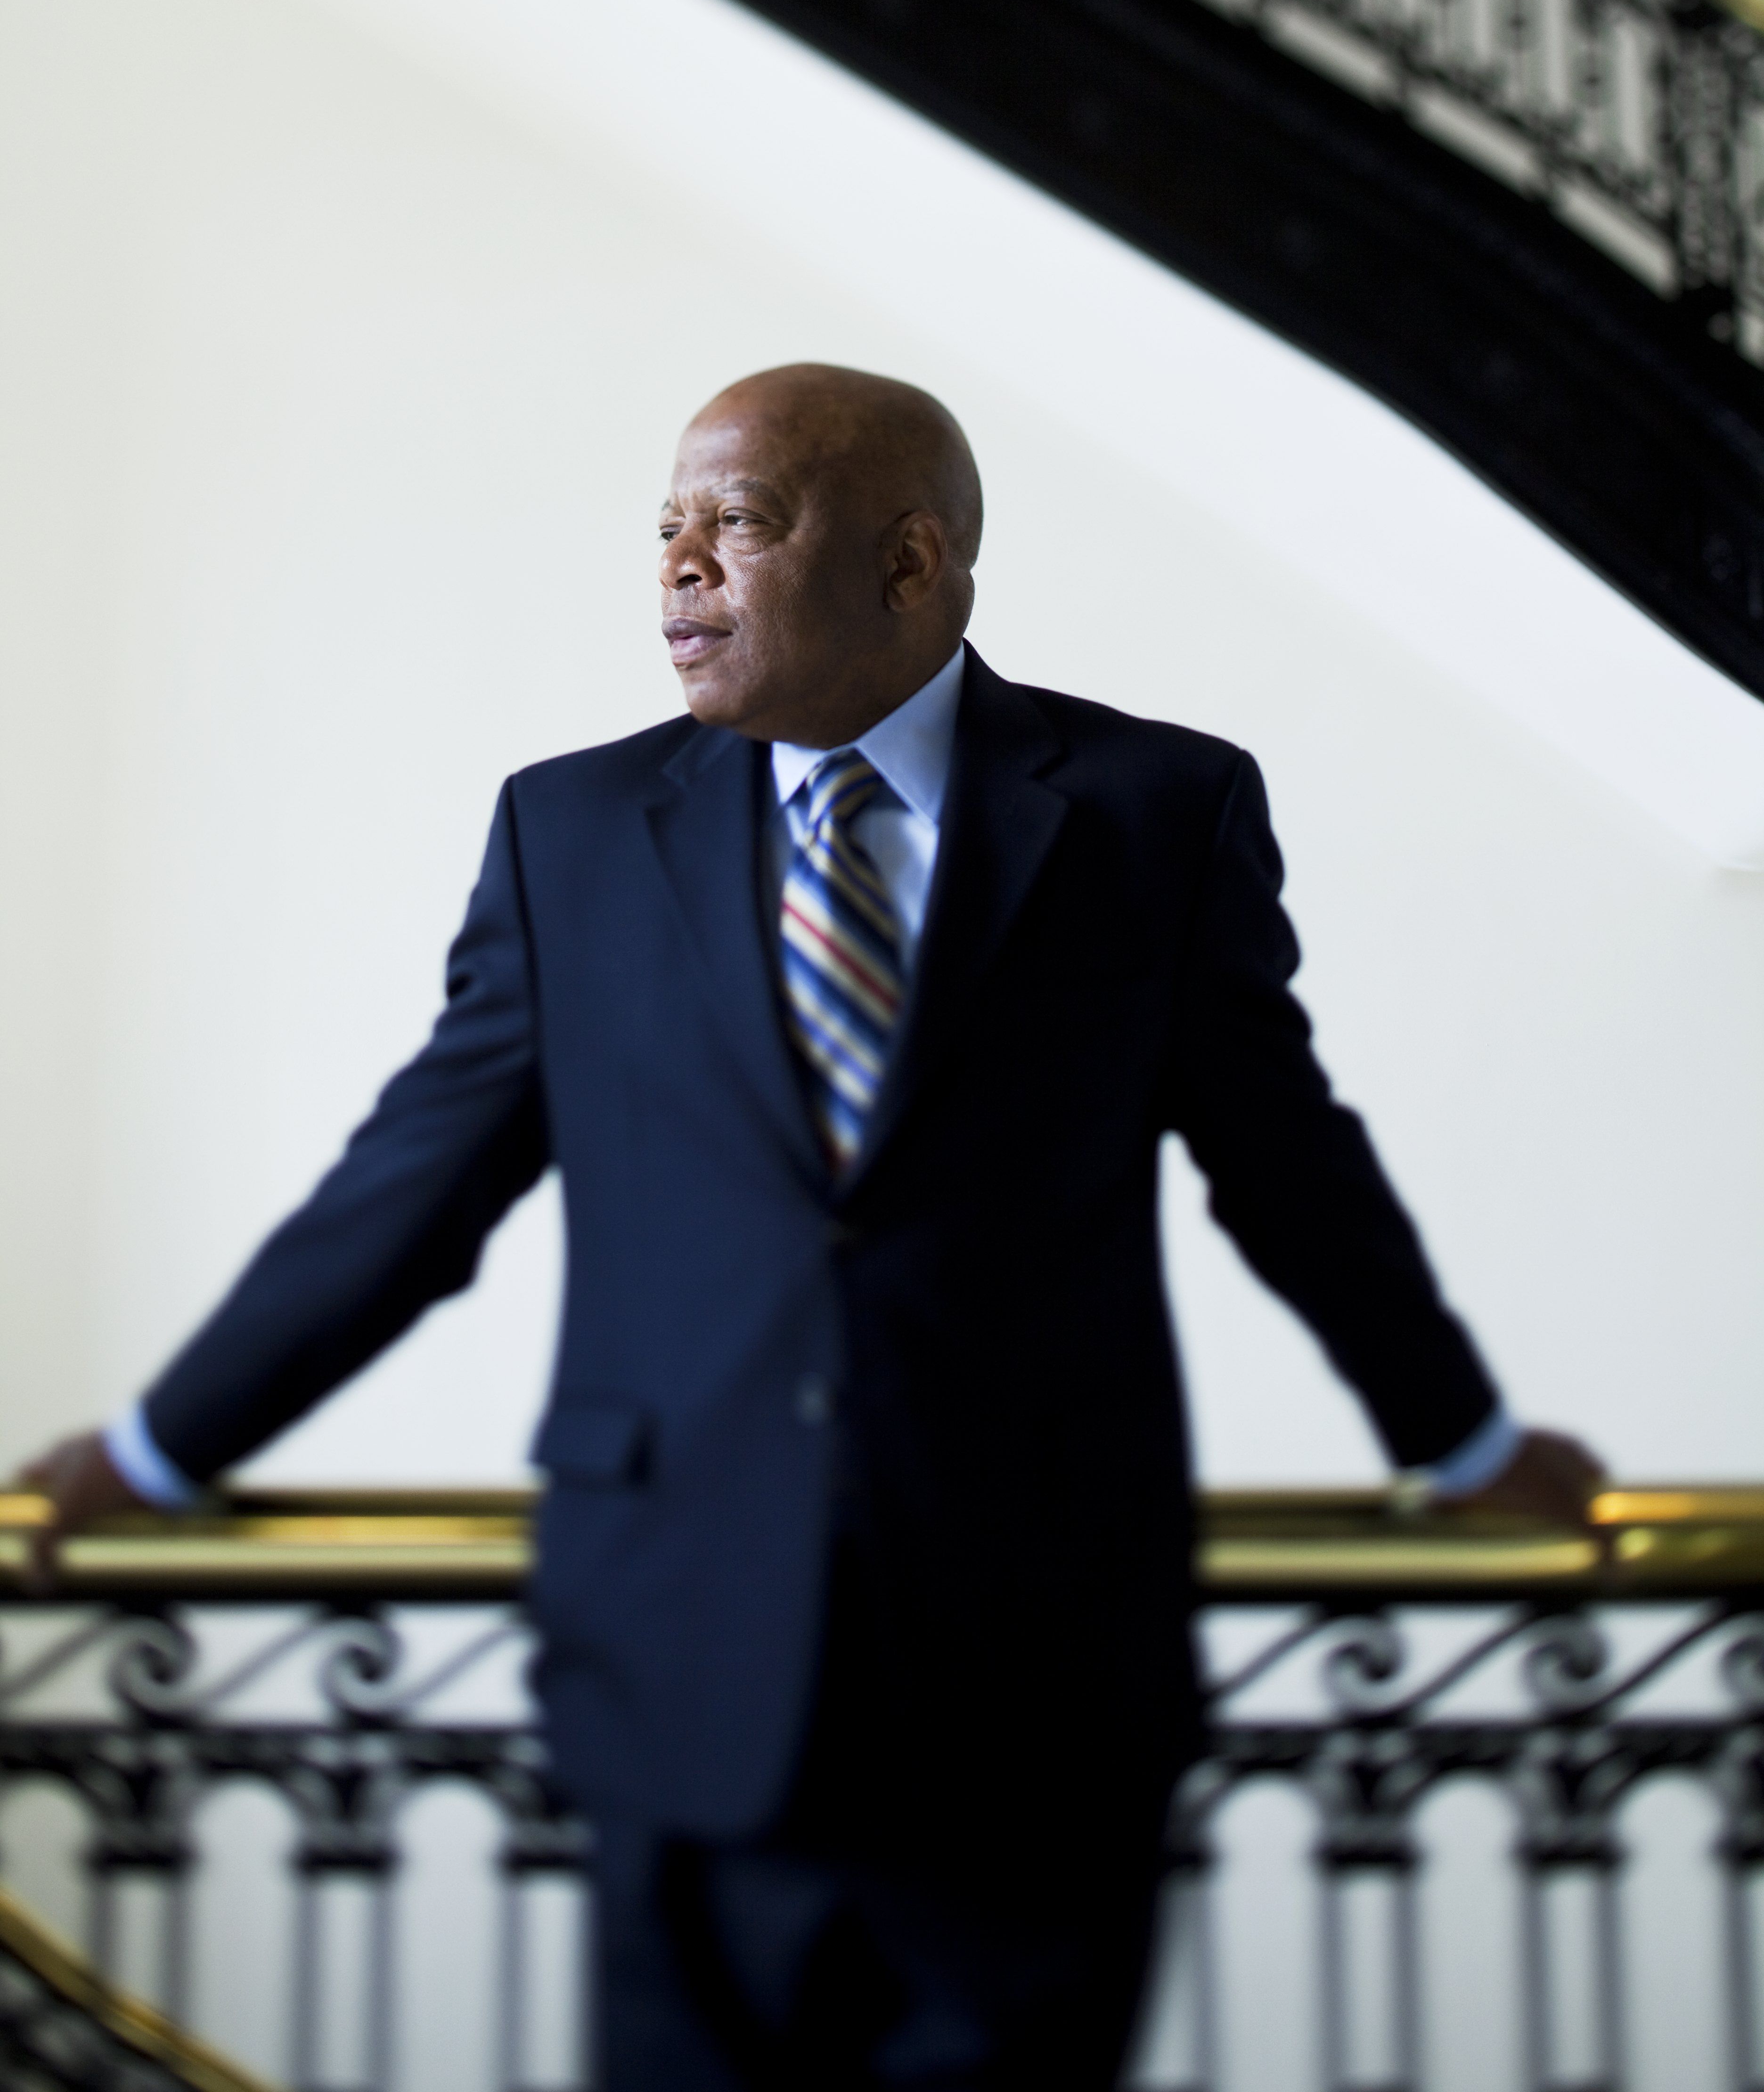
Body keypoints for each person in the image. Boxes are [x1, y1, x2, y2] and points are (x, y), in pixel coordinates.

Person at [23, 363, 1602, 2088]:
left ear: (910, 562)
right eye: (668, 530)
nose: (680, 570)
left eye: (741, 524)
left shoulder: (1157, 813)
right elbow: (415, 1187)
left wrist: (1456, 1439)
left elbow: (1288, 1163)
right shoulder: (571, 830)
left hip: (1035, 1685)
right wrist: (165, 1452)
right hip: (677, 1671)